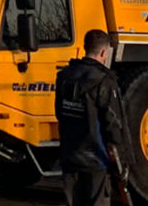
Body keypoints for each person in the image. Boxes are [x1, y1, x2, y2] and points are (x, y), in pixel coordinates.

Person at [55, 29, 129, 206]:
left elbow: (59, 114)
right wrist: (122, 164)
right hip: (96, 161)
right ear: (104, 52)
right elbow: (113, 126)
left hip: (70, 158)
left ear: (84, 47)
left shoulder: (64, 77)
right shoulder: (104, 82)